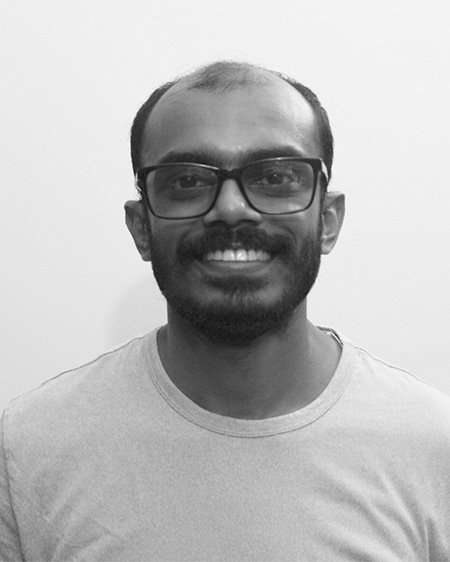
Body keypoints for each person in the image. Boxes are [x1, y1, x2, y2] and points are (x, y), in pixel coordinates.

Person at [1, 61, 449, 561]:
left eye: (275, 177)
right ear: (141, 227)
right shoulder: (30, 446)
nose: (232, 208)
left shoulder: (433, 444)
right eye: (187, 181)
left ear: (327, 219)